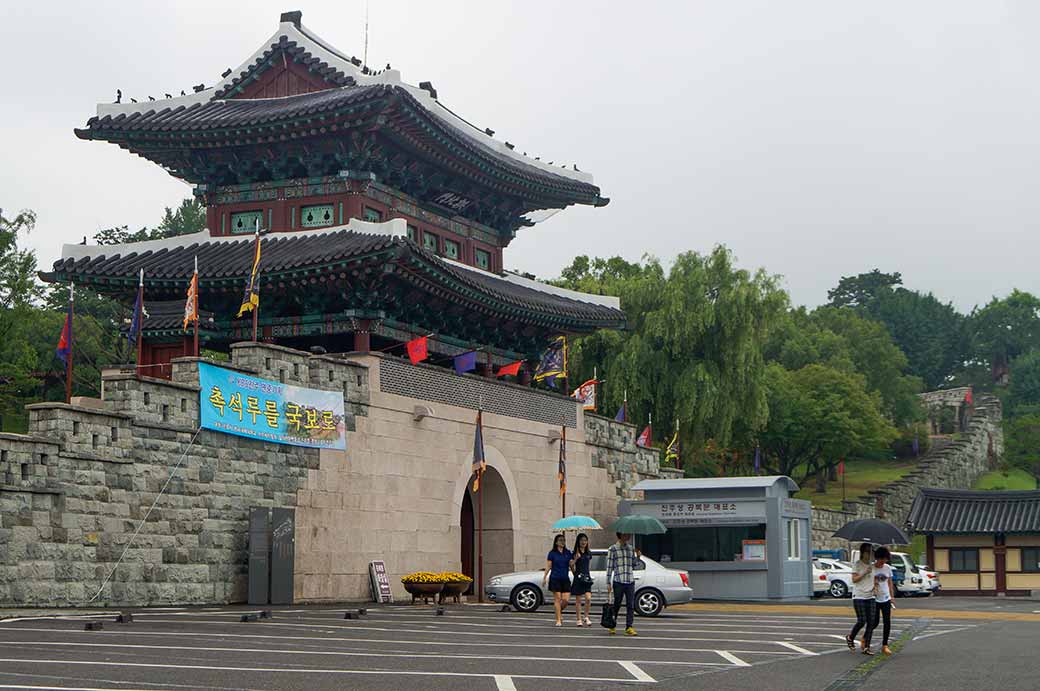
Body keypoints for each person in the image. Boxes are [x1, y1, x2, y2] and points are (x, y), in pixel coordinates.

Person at [605, 532, 640, 636]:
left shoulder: (631, 549)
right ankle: (612, 625)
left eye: (628, 534)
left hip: (630, 580)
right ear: (620, 535)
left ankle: (629, 627)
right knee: (617, 604)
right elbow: (609, 566)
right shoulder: (613, 549)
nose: (628, 536)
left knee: (630, 605)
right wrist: (608, 582)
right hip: (618, 581)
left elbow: (633, 565)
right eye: (626, 534)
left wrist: (638, 557)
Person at [846, 543, 877, 654]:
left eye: (871, 552)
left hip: (871, 596)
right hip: (859, 595)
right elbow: (854, 579)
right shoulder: (857, 564)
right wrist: (864, 572)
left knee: (871, 622)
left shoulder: (873, 566)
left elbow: (874, 579)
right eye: (867, 552)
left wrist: (875, 587)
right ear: (863, 553)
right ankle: (850, 637)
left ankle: (866, 647)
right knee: (861, 621)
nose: (869, 554)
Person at [542, 533, 572, 626]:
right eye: (560, 540)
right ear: (556, 542)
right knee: (558, 599)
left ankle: (558, 611)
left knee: (566, 600)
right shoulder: (552, 553)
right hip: (555, 578)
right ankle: (558, 619)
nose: (563, 542)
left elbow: (571, 565)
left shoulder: (568, 552)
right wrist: (544, 577)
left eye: (564, 540)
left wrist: (576, 559)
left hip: (565, 578)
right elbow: (548, 566)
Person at [871, 546, 895, 655]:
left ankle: (885, 645)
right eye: (881, 559)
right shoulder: (871, 568)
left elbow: (890, 583)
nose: (883, 561)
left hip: (886, 598)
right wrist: (873, 583)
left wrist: (892, 597)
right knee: (874, 622)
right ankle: (865, 638)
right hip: (874, 598)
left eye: (885, 559)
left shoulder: (887, 568)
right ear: (877, 558)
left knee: (887, 622)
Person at [569, 532, 593, 627]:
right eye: (582, 540)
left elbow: (588, 565)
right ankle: (578, 619)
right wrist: (576, 559)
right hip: (578, 578)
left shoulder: (588, 553)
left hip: (586, 577)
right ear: (578, 541)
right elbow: (571, 565)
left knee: (588, 598)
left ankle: (586, 616)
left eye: (585, 540)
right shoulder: (574, 553)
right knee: (578, 600)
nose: (584, 542)